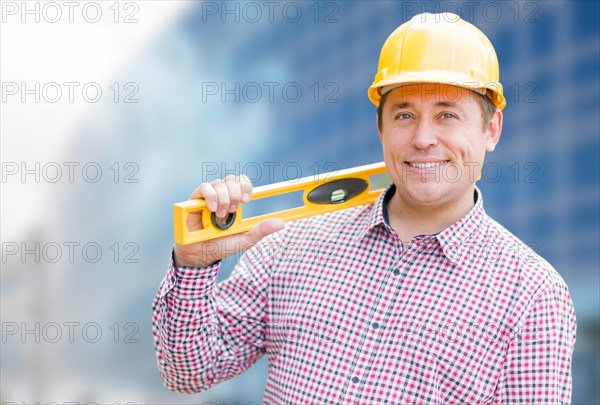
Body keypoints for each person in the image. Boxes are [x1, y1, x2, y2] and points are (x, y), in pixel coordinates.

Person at [152, 12, 576, 403]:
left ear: (491, 129)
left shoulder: (533, 296)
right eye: (405, 115)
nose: (423, 138)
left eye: (447, 115)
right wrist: (193, 264)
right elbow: (187, 372)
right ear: (381, 128)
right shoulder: (290, 244)